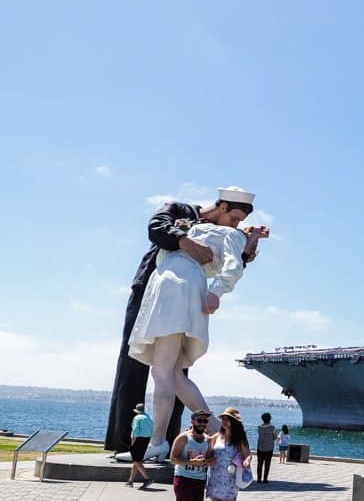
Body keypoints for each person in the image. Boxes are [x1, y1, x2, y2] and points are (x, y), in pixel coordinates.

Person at [105, 186, 267, 457]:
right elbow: (157, 228)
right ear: (223, 207)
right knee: (174, 375)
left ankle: (158, 442)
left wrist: (217, 290)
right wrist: (187, 240)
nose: (238, 225)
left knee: (162, 372)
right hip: (162, 288)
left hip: (177, 289)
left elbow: (233, 265)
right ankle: (221, 432)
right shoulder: (182, 214)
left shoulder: (230, 234)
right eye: (235, 218)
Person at [205, 407, 253, 501]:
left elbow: (248, 455)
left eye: (228, 419)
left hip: (230, 479)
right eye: (223, 419)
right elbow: (209, 455)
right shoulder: (216, 437)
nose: (224, 421)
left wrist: (247, 462)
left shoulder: (239, 440)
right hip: (215, 478)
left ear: (234, 422)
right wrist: (208, 460)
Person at [169, 409, 214, 501]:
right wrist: (191, 462)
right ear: (192, 421)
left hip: (199, 480)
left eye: (205, 421)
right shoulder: (184, 438)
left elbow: (209, 458)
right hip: (184, 478)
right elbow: (173, 459)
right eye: (199, 420)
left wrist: (208, 461)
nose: (202, 423)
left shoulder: (208, 440)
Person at [125, 403, 153, 489]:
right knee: (137, 461)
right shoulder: (149, 418)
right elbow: (152, 430)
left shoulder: (137, 418)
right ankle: (130, 481)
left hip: (138, 440)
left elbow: (135, 431)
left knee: (136, 461)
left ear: (137, 411)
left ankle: (147, 479)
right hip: (146, 440)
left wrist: (132, 443)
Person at [256, 412, 277, 482]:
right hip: (269, 448)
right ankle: (265, 479)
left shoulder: (259, 427)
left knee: (259, 463)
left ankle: (259, 479)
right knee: (267, 464)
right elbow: (275, 437)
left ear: (262, 419)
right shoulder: (272, 427)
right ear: (270, 419)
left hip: (260, 447)